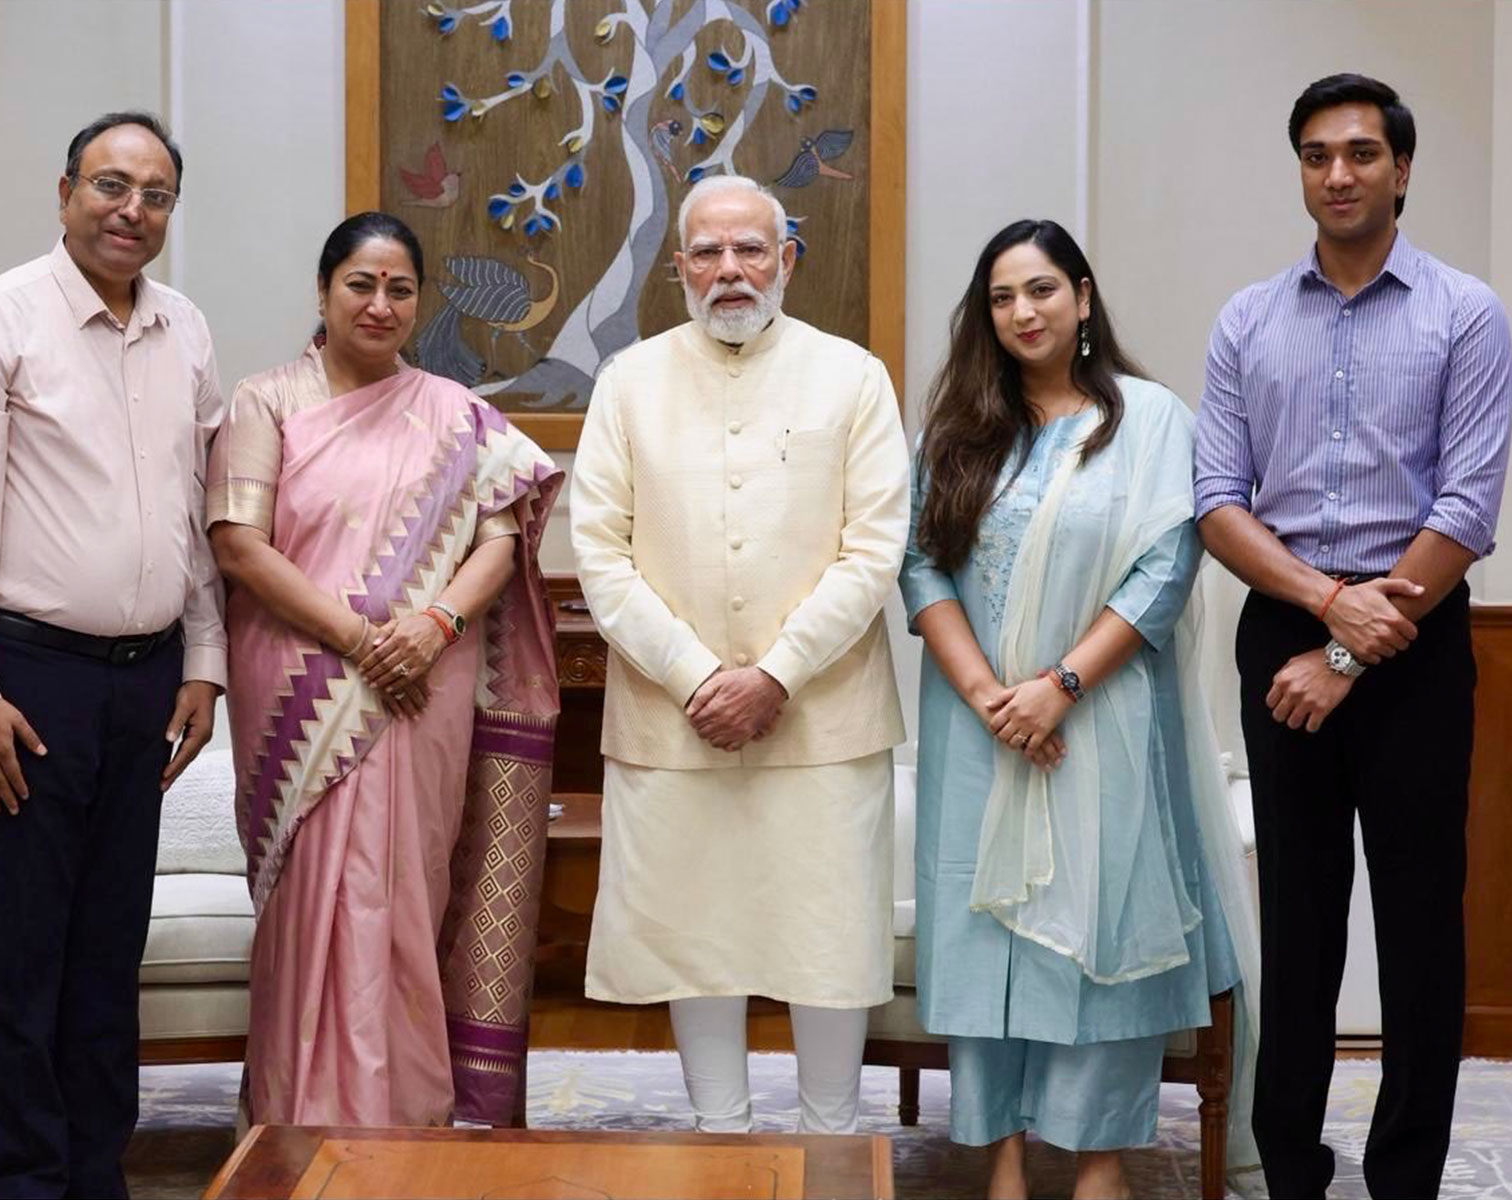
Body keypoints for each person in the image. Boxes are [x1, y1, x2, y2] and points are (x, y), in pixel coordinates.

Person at [1194, 74, 1512, 1200]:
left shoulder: (1464, 312)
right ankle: (1290, 1167)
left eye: (1362, 153)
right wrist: (1327, 613)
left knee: (1421, 921)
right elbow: (1217, 500)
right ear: (1300, 170)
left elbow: (1467, 505)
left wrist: (1348, 649)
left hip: (1416, 629)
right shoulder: (1247, 320)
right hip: (1284, 623)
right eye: (1317, 155)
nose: (1338, 174)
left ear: (1401, 169)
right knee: (1298, 913)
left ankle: (1406, 1174)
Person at [901, 219, 1258, 1200]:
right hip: (977, 729)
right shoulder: (957, 431)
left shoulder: (1150, 421)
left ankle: (1100, 1160)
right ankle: (1002, 1159)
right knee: (986, 938)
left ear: (1084, 296)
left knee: (1105, 927)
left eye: (1042, 289)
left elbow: (1166, 567)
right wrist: (991, 698)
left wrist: (1057, 688)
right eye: (1002, 297)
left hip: (1102, 720)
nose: (1023, 312)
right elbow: (919, 565)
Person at [0, 111, 225, 1198]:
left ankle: (97, 1173)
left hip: (147, 681)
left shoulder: (185, 329)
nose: (131, 210)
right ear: (64, 193)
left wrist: (203, 658)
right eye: (109, 185)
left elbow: (193, 511)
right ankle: (27, 1179)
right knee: (22, 954)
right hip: (25, 682)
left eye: (155, 194)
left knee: (106, 952)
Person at [206, 212, 561, 1128]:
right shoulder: (264, 401)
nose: (380, 304)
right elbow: (240, 545)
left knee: (407, 888)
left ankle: (406, 1118)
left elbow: (499, 538)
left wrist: (436, 624)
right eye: (360, 284)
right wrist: (363, 641)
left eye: (400, 289)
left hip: (423, 678)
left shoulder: (457, 413)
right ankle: (297, 1121)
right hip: (300, 682)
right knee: (310, 899)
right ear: (324, 292)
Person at [571, 175, 909, 1135]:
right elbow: (599, 552)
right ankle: (719, 1140)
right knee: (694, 938)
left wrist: (774, 675)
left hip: (823, 718)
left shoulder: (852, 376)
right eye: (709, 253)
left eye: (751, 249)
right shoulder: (629, 381)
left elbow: (873, 550)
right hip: (672, 720)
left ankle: (833, 1147)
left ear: (786, 260)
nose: (731, 270)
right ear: (678, 267)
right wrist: (696, 679)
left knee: (829, 940)